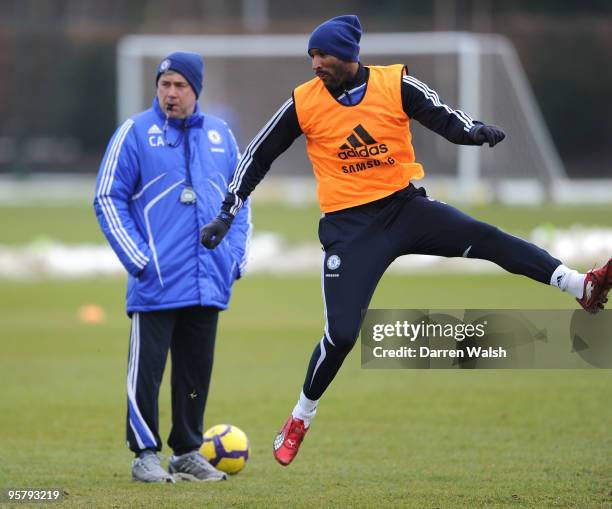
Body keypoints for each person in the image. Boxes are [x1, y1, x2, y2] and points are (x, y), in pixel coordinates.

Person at [200, 15, 612, 466]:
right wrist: (227, 211)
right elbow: (258, 154)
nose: (315, 63)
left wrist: (472, 132)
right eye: (311, 55)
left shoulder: (394, 83)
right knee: (340, 336)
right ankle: (301, 415)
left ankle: (580, 286)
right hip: (350, 230)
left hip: (404, 209)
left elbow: (442, 117)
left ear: (349, 56)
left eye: (323, 55)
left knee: (489, 238)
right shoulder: (304, 102)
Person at [94, 51, 251, 482]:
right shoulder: (135, 133)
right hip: (156, 279)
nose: (170, 93)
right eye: (164, 84)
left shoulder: (221, 135)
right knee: (147, 373)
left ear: (195, 90)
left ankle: (186, 451)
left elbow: (239, 201)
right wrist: (139, 259)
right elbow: (108, 197)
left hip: (209, 279)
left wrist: (234, 257)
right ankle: (144, 454)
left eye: (180, 85)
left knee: (195, 372)